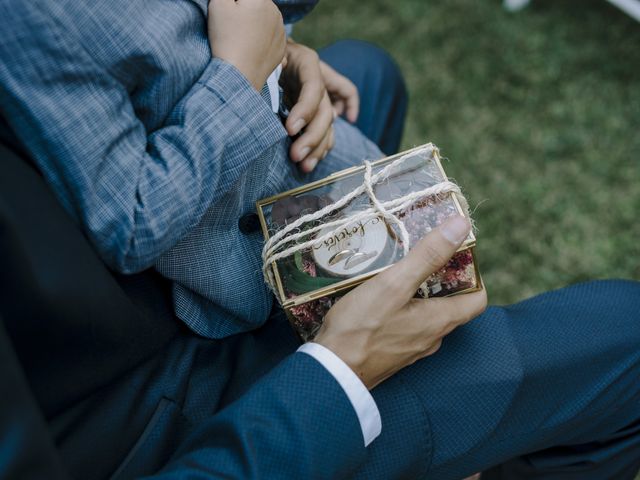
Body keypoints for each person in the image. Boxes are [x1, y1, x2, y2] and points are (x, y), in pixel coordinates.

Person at [0, 1, 639, 479]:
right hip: (146, 407)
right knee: (629, 337)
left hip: (128, 286)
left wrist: (274, 60)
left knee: (368, 76)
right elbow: (131, 217)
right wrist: (339, 373)